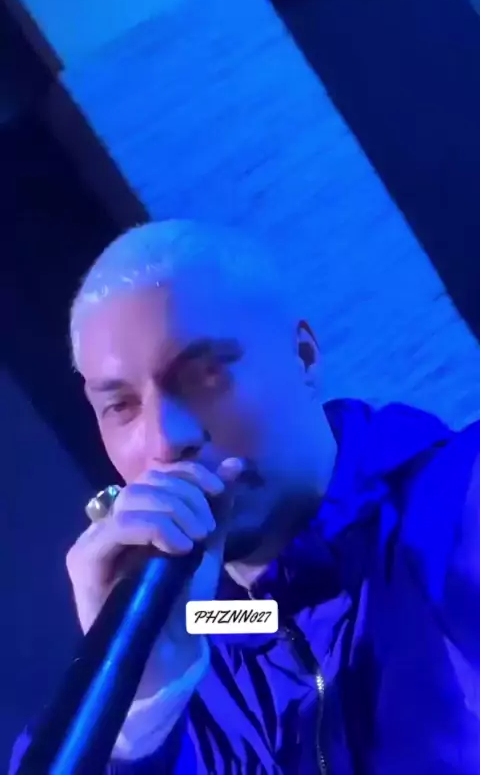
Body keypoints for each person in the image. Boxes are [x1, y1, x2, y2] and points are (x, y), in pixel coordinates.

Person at [10, 218, 480, 774]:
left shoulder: (457, 506)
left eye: (204, 374)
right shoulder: (184, 654)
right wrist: (133, 704)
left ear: (303, 356)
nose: (165, 441)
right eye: (121, 406)